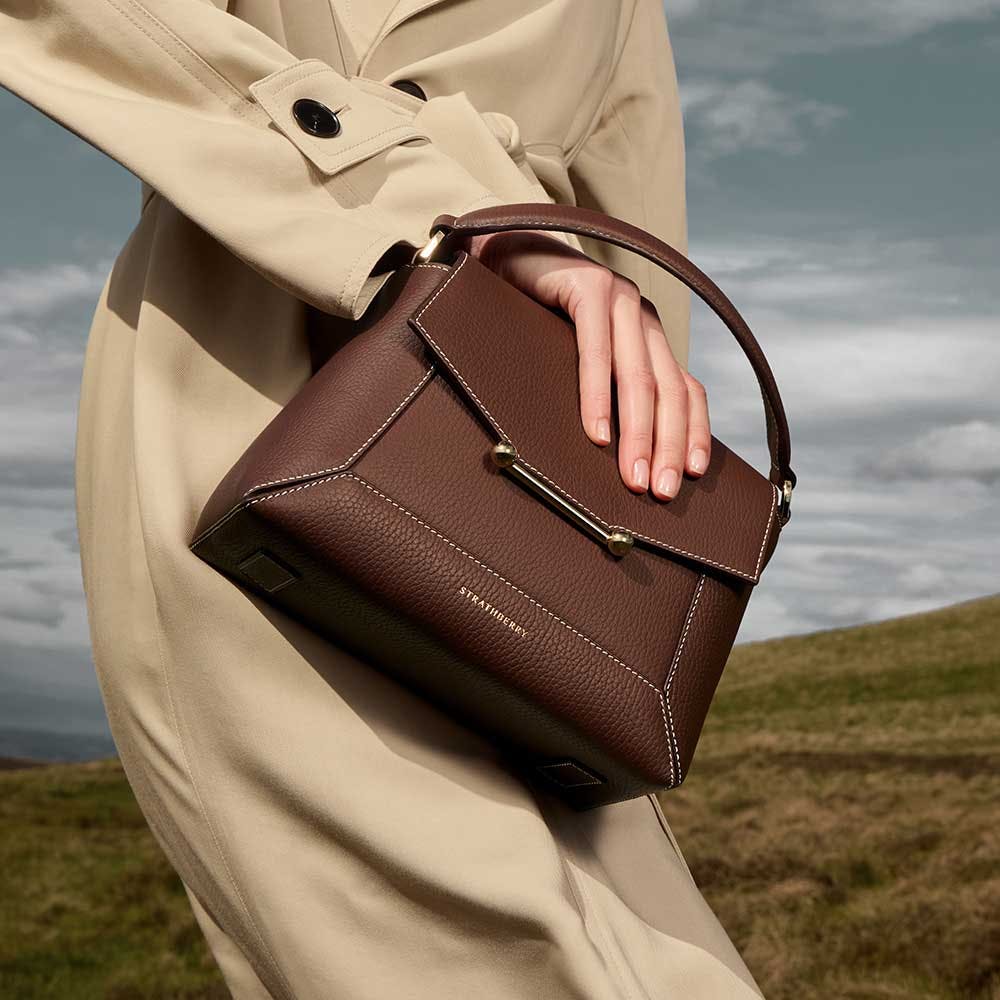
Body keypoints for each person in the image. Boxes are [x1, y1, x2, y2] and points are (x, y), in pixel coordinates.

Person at [0, 1, 764, 996]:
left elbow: (629, 225)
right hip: (267, 400)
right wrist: (436, 203)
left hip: (524, 469)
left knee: (663, 965)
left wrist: (625, 529)